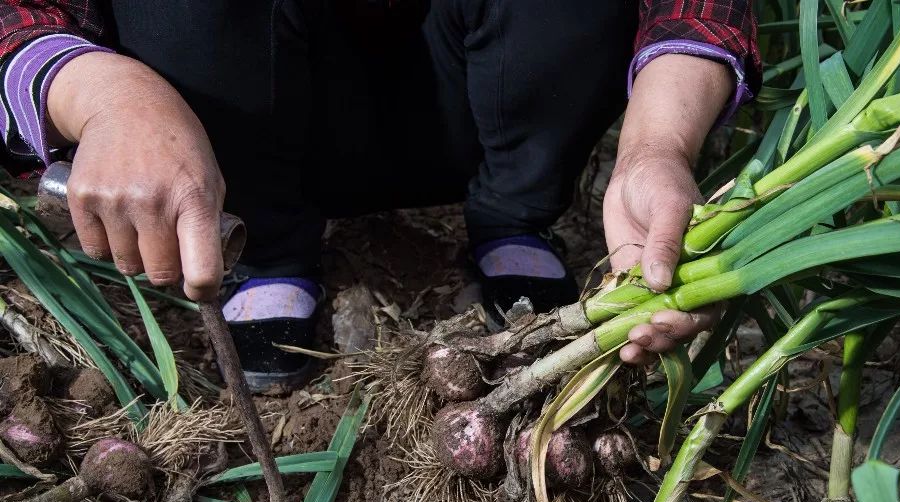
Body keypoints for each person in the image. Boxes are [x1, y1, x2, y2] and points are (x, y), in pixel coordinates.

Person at [0, 1, 759, 391]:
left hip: (472, 94)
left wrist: (656, 146)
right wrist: (105, 98)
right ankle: (265, 248)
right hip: (237, 116)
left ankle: (513, 214)